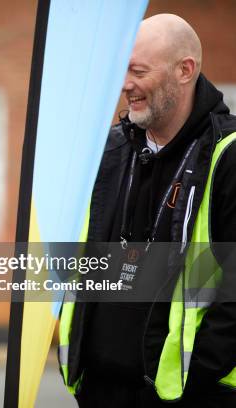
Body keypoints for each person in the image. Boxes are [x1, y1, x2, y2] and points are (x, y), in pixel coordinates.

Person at [58, 14, 236, 407]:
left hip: (186, 395)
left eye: (138, 70)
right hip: (98, 389)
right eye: (122, 69)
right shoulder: (110, 150)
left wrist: (197, 376)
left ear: (184, 71)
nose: (125, 84)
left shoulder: (227, 155)